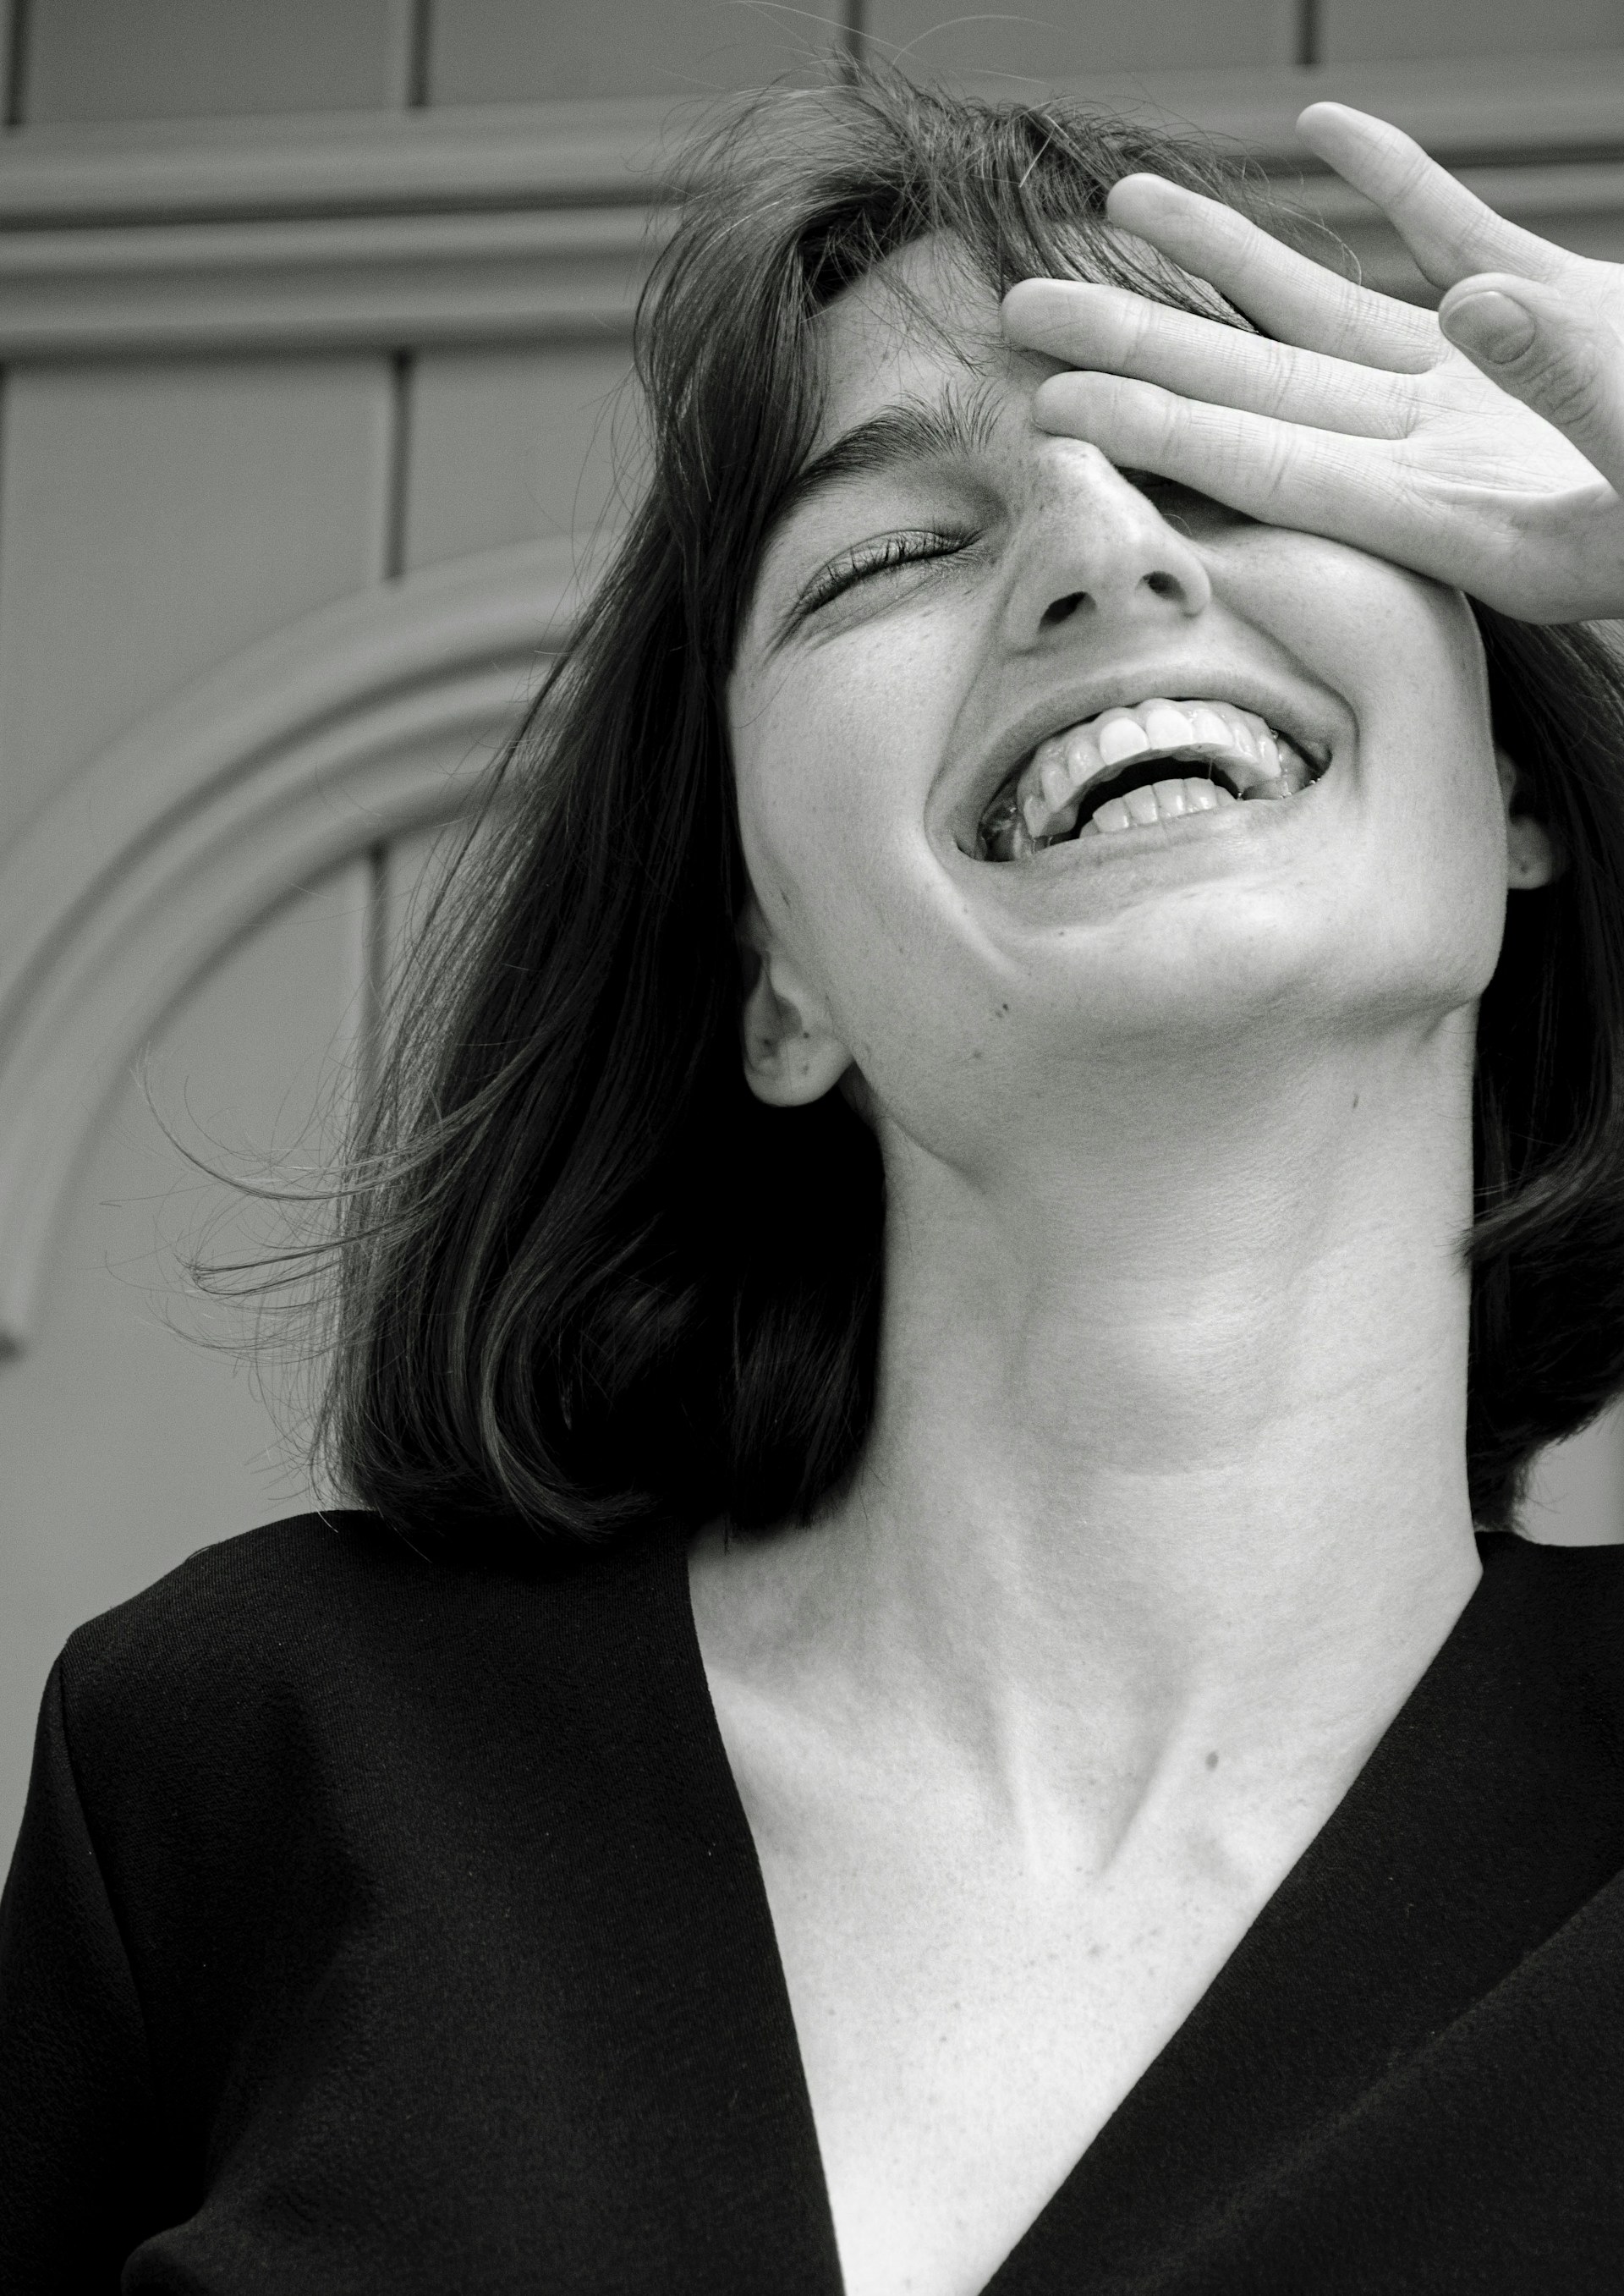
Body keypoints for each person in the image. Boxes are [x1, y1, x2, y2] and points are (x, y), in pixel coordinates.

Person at [3, 67, 1624, 2296]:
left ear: (1524, 793)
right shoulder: (246, 1750)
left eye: (1225, 466)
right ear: (769, 968)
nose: (1101, 546)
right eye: (888, 552)